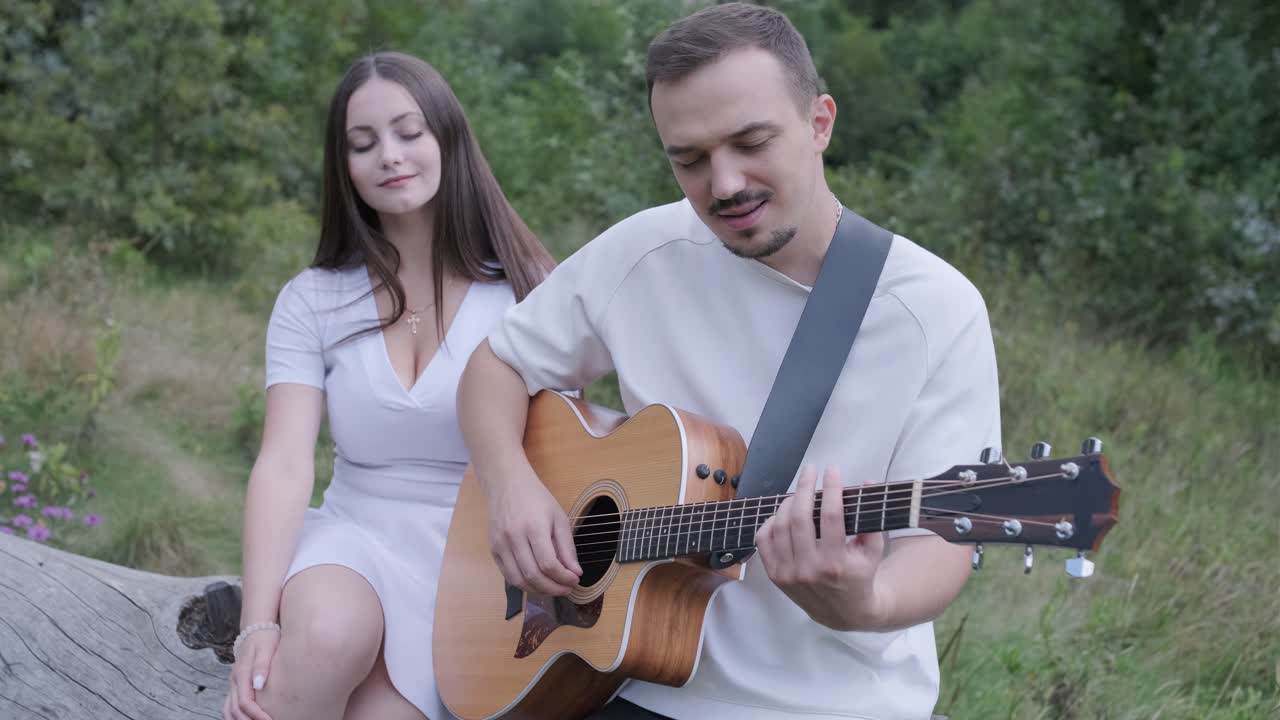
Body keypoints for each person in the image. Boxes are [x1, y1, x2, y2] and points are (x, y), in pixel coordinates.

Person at [456, 3, 1000, 720]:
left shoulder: (935, 310)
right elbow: (495, 365)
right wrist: (512, 488)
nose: (725, 185)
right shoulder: (642, 255)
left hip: (834, 703)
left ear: (820, 122)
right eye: (690, 159)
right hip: (630, 679)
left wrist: (862, 600)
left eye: (751, 142)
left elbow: (941, 545)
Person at [223, 51, 554, 720]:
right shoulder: (312, 299)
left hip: (475, 567)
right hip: (353, 536)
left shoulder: (528, 291)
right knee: (324, 634)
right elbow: (284, 464)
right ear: (342, 165)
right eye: (362, 143)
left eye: (409, 132)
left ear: (446, 137)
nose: (389, 156)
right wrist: (257, 626)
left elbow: (565, 452)